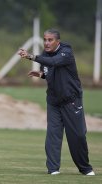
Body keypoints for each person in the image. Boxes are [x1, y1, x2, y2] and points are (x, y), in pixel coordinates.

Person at [18, 28, 95, 176]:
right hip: (53, 102)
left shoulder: (66, 52)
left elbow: (55, 62)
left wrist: (31, 56)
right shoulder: (45, 55)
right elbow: (49, 72)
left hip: (71, 100)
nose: (46, 43)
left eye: (50, 40)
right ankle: (53, 169)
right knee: (53, 135)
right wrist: (41, 74)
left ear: (57, 41)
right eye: (45, 39)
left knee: (77, 136)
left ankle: (85, 168)